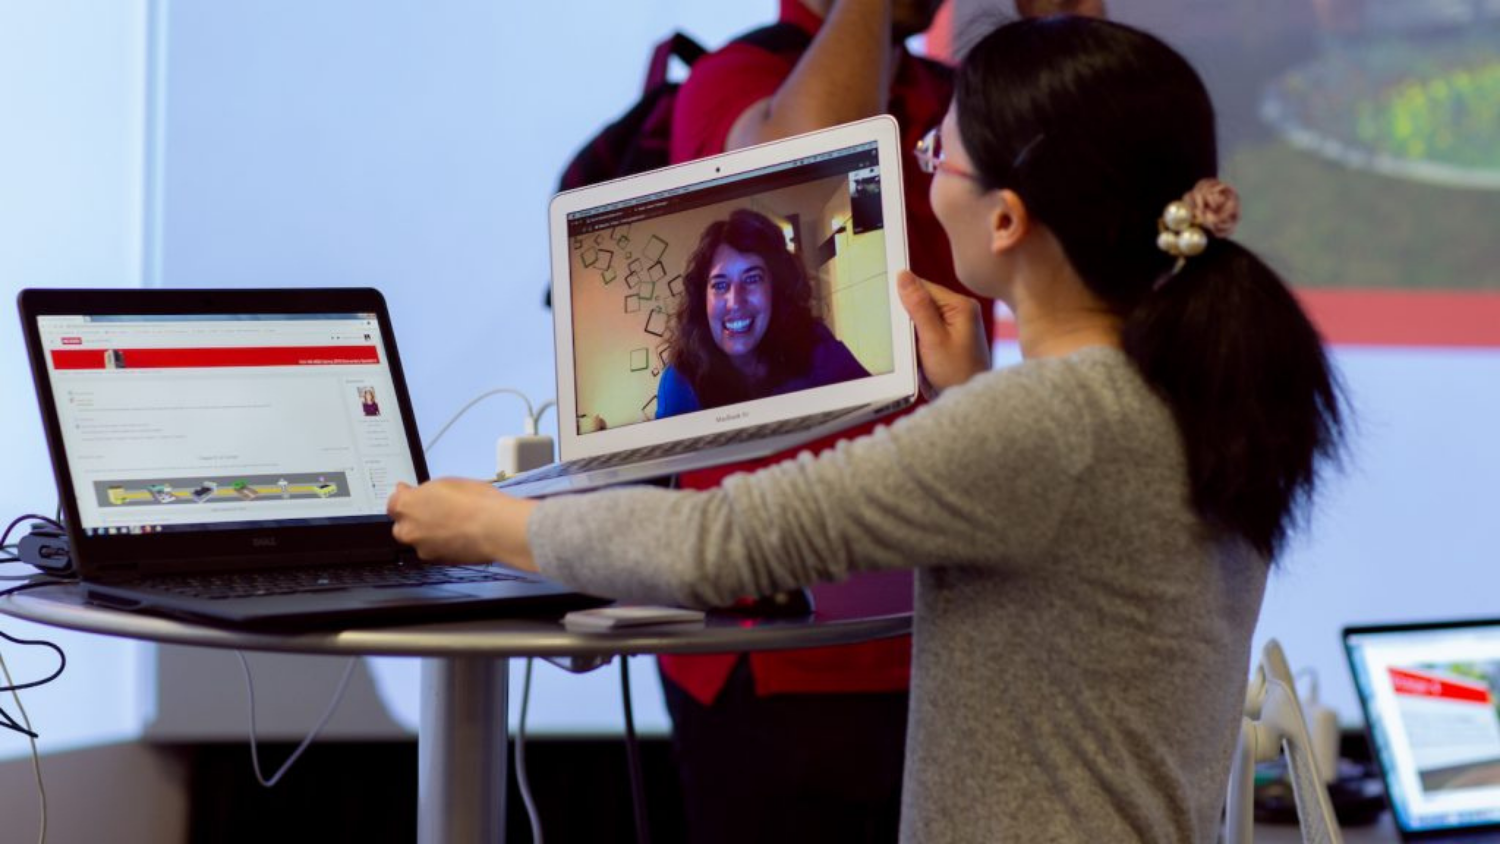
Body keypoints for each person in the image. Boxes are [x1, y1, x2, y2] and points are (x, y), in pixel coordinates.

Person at [391, 14, 1348, 841]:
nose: (926, 174)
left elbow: (720, 544)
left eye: (939, 155)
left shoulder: (1048, 423)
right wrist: (973, 394)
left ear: (1006, 220)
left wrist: (486, 525)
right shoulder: (1188, 393)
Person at [656, 208, 870, 418]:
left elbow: (875, 418)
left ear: (774, 289)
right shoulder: (680, 383)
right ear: (703, 299)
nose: (735, 302)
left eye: (752, 279)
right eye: (720, 285)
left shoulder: (815, 348)